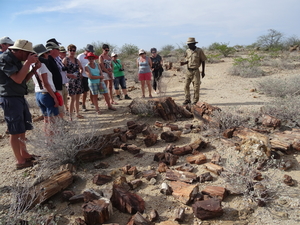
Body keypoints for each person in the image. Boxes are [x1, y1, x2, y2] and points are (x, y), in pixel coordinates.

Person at [0, 39, 40, 169]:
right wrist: (28, 63)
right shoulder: (5, 58)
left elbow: (22, 79)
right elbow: (17, 79)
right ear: (21, 51)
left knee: (22, 128)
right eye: (28, 53)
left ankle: (25, 154)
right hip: (10, 98)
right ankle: (20, 161)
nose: (29, 56)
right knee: (14, 130)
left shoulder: (17, 61)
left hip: (18, 96)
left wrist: (33, 70)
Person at [32, 44, 59, 133]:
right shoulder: (42, 66)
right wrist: (54, 97)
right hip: (47, 94)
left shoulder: (32, 66)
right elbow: (46, 84)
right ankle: (51, 142)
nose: (48, 55)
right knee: (52, 120)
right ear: (42, 55)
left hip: (38, 94)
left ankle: (47, 140)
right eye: (46, 53)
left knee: (46, 119)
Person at [180, 37, 207, 105]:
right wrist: (184, 63)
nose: (188, 45)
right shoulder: (187, 51)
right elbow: (187, 60)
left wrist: (203, 72)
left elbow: (203, 61)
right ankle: (187, 99)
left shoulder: (199, 51)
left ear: (194, 44)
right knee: (186, 86)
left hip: (196, 71)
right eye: (188, 44)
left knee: (196, 87)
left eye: (189, 44)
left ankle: (195, 101)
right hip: (188, 71)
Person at [43, 39, 65, 118]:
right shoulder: (48, 60)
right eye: (57, 49)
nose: (59, 51)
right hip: (53, 88)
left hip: (56, 87)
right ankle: (59, 127)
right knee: (57, 109)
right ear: (51, 50)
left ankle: (60, 125)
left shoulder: (53, 59)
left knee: (60, 107)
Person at [62, 44, 84, 120]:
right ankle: (70, 116)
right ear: (68, 51)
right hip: (70, 81)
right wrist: (69, 75)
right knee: (72, 98)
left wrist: (80, 73)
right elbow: (62, 72)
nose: (72, 52)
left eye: (73, 50)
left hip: (77, 80)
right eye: (70, 50)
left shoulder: (76, 60)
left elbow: (81, 68)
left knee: (78, 97)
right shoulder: (65, 59)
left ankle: (77, 113)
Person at [77, 44, 94, 112]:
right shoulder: (80, 56)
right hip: (83, 76)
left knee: (92, 90)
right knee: (84, 92)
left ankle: (92, 102)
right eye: (89, 51)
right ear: (86, 50)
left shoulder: (91, 56)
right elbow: (77, 65)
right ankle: (83, 105)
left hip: (91, 76)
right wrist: (80, 73)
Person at [55, 46, 69, 113]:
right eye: (63, 52)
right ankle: (62, 113)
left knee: (65, 96)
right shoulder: (56, 60)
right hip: (59, 83)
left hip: (64, 81)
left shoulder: (63, 60)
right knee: (61, 99)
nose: (64, 54)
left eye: (65, 52)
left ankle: (66, 108)